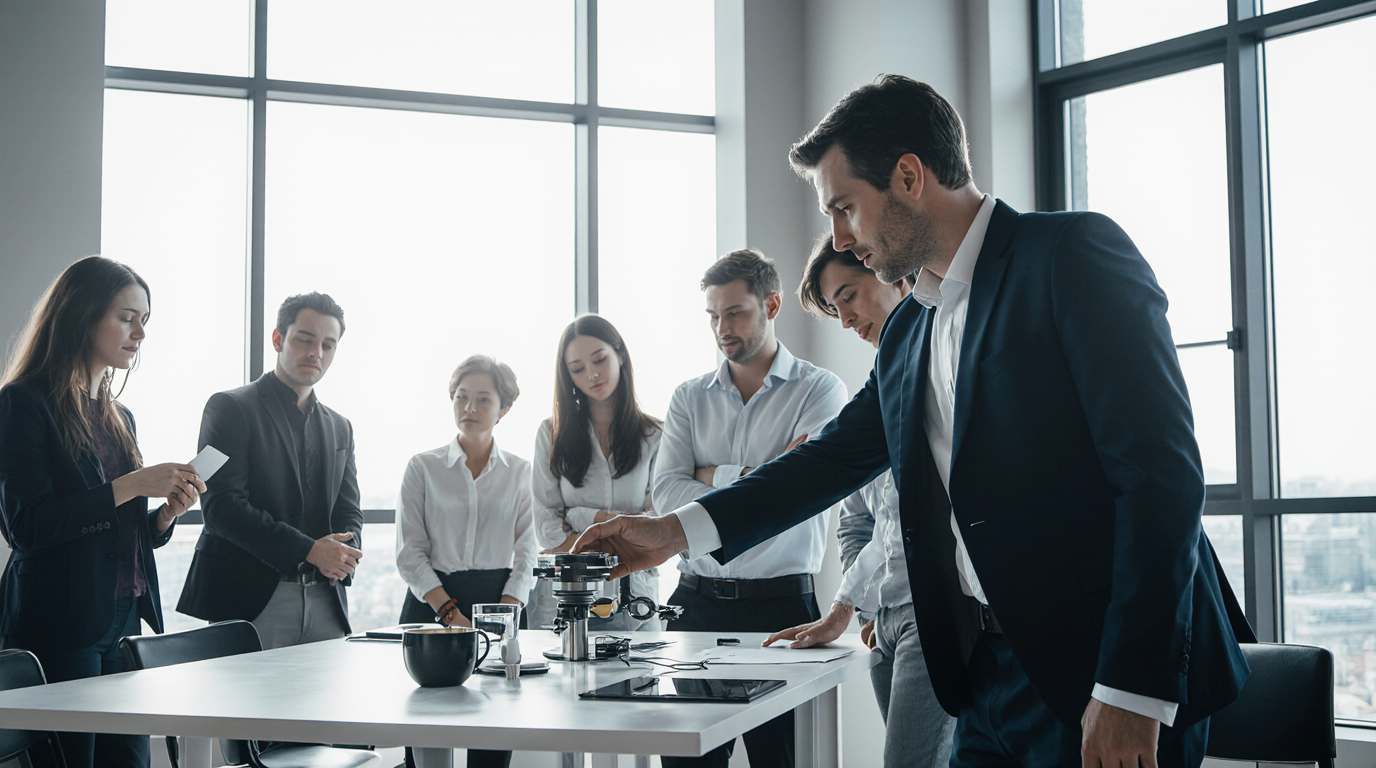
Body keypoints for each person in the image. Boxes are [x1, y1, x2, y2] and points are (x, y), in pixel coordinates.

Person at [575, 75, 1254, 768]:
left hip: (1099, 676)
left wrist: (1131, 689)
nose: (839, 237)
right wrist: (673, 532)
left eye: (845, 208)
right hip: (983, 674)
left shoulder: (1069, 255)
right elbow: (827, 461)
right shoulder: (909, 332)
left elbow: (1160, 479)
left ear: (908, 177)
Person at [0, 256, 204, 768]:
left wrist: (162, 517)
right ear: (82, 315)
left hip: (123, 619)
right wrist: (132, 484)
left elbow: (115, 530)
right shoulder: (23, 403)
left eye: (145, 320)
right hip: (60, 624)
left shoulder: (119, 417)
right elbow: (26, 526)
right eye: (127, 317)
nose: (140, 334)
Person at [763, 234, 955, 768]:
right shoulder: (879, 392)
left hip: (930, 611)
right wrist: (865, 603)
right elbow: (858, 521)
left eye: (848, 296)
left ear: (890, 272)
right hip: (885, 619)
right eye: (835, 309)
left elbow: (906, 520)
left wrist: (847, 603)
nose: (845, 320)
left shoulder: (944, 365)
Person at [652, 249, 849, 768]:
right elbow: (666, 494)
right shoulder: (688, 398)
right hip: (694, 607)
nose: (722, 328)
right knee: (685, 762)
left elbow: (798, 493)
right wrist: (757, 476)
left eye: (735, 312)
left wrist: (710, 474)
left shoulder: (820, 390)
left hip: (780, 612)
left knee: (781, 761)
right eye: (713, 316)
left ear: (772, 305)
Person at [178, 293, 364, 651]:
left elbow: (349, 509)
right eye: (305, 339)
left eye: (328, 345)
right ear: (278, 339)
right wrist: (310, 550)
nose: (317, 353)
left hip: (327, 600)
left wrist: (345, 552)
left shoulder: (341, 427)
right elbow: (222, 508)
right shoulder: (229, 408)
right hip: (252, 600)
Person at [395, 355, 536, 768]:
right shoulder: (422, 467)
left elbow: (529, 551)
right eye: (461, 397)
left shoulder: (522, 472)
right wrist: (450, 614)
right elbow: (409, 553)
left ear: (504, 408)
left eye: (483, 399)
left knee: (494, 731)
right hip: (432, 604)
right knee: (424, 736)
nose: (469, 408)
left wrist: (505, 614)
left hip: (501, 603)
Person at [529, 315, 663, 631]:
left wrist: (581, 516)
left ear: (620, 355)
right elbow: (547, 530)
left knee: (639, 664)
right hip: (563, 596)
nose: (592, 374)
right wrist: (618, 529)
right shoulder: (550, 434)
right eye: (577, 368)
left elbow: (658, 524)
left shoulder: (655, 435)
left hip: (635, 595)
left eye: (599, 359)